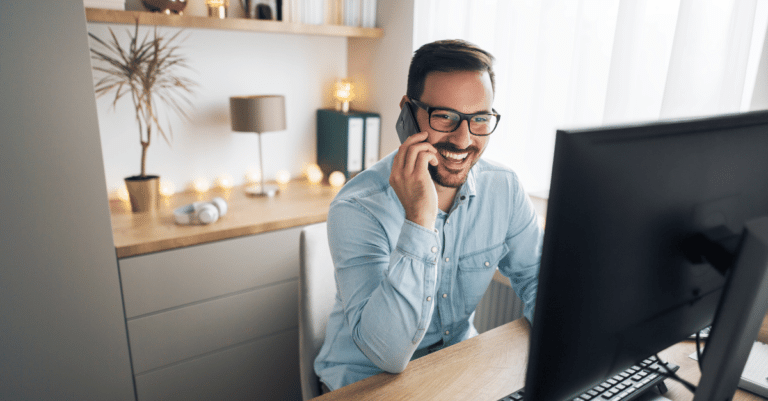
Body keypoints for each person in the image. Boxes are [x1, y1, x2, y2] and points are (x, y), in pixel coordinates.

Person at [314, 39, 543, 392]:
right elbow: (387, 356)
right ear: (407, 112)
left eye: (479, 119)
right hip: (364, 382)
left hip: (455, 368)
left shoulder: (505, 189)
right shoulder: (357, 207)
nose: (464, 139)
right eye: (445, 116)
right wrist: (419, 217)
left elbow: (539, 278)